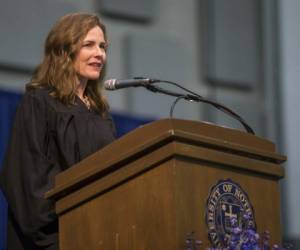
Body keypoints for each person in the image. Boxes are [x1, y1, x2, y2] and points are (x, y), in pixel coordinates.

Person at [0, 13, 116, 250]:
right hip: (57, 239)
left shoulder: (100, 114)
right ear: (65, 50)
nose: (100, 54)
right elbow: (27, 181)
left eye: (103, 46)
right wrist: (65, 232)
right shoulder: (40, 102)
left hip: (99, 236)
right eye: (89, 45)